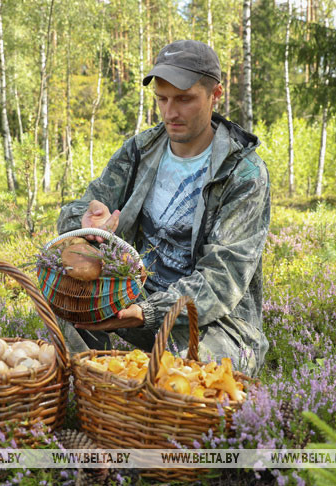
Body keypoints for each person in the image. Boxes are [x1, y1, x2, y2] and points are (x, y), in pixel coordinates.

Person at [56, 40, 270, 376]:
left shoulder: (244, 174)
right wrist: (84, 221)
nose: (170, 112)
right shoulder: (142, 150)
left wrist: (146, 311)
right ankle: (90, 389)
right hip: (139, 298)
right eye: (162, 99)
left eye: (184, 99)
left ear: (215, 95)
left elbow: (222, 280)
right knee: (65, 300)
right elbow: (80, 209)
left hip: (215, 322)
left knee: (192, 372)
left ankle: (144, 397)